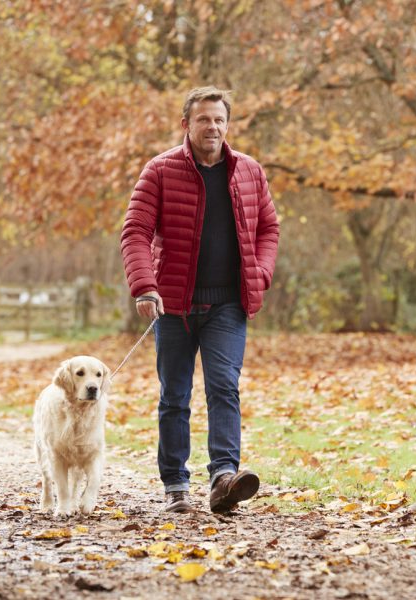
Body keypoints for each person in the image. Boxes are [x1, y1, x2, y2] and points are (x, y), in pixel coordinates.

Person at [120, 86, 279, 513]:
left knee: (224, 387)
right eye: (204, 119)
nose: (213, 126)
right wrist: (144, 286)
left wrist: (260, 275)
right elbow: (135, 231)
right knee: (175, 395)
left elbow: (269, 229)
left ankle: (224, 479)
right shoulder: (160, 170)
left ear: (228, 125)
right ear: (186, 124)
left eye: (220, 120)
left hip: (229, 303)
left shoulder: (249, 171)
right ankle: (175, 485)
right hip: (173, 304)